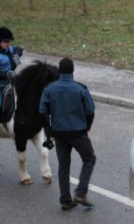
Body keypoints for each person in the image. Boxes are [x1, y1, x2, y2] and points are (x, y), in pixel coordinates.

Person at [39, 57, 97, 211]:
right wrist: (87, 126)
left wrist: (49, 130)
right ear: (72, 71)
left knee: (63, 165)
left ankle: (65, 199)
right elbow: (90, 111)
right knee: (89, 158)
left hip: (58, 133)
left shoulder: (50, 89)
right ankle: (80, 192)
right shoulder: (80, 88)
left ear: (60, 70)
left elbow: (42, 112)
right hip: (78, 133)